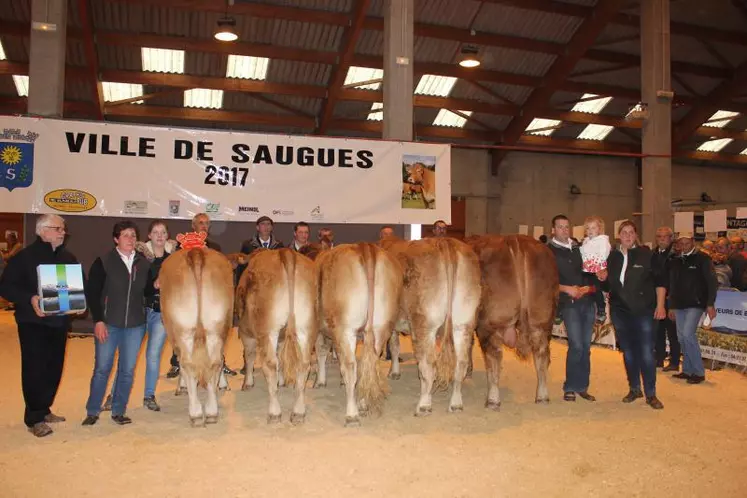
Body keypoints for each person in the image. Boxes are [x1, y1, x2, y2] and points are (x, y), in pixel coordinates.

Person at [0, 215, 82, 437]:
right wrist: (30, 298)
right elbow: (5, 288)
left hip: (59, 322)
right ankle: (34, 417)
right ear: (42, 231)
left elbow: (73, 290)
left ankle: (44, 408)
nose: (62, 233)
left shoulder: (69, 257)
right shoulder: (24, 257)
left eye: (63, 229)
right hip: (32, 323)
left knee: (54, 367)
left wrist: (77, 303)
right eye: (58, 229)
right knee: (34, 369)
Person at [82, 220, 151, 426]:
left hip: (136, 325)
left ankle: (118, 410)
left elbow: (146, 293)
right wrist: (98, 321)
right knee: (102, 368)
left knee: (127, 370)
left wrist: (156, 285)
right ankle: (93, 410)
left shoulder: (144, 264)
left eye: (133, 235)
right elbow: (93, 294)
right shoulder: (103, 261)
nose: (130, 239)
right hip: (109, 323)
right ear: (116, 239)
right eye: (125, 235)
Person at [102, 221, 176, 412]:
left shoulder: (174, 260)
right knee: (128, 356)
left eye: (163, 232)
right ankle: (113, 396)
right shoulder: (138, 257)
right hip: (139, 311)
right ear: (149, 235)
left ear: (167, 236)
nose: (160, 235)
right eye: (155, 232)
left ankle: (149, 395)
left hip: (161, 313)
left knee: (153, 355)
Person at [597, 221, 666, 409]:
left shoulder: (647, 255)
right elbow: (608, 287)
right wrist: (601, 278)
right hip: (620, 312)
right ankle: (635, 388)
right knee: (628, 353)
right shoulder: (612, 257)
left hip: (644, 311)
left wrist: (660, 305)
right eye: (624, 232)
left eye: (631, 232)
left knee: (646, 352)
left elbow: (660, 282)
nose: (627, 236)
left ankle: (651, 394)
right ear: (618, 235)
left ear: (636, 235)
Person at [167, 213, 233, 378]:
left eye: (207, 223)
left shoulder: (215, 248)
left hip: (209, 296)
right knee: (182, 330)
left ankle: (220, 362)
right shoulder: (181, 246)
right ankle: (177, 363)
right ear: (193, 226)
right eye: (201, 223)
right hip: (186, 295)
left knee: (215, 331)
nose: (204, 226)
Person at [548, 214, 600, 402]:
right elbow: (546, 281)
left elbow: (591, 272)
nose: (564, 230)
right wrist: (566, 289)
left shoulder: (580, 248)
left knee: (586, 346)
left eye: (566, 226)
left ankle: (582, 386)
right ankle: (570, 386)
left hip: (587, 301)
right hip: (568, 304)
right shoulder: (548, 251)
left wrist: (591, 285)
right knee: (576, 344)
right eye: (560, 227)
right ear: (553, 230)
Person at [668, 234, 717, 385]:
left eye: (687, 242)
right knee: (681, 337)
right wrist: (671, 306)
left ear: (693, 242)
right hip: (679, 304)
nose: (684, 245)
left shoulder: (703, 259)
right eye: (681, 243)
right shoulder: (676, 260)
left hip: (696, 303)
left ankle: (699, 372)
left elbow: (711, 282)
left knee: (688, 334)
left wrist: (710, 304)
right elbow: (673, 284)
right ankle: (687, 370)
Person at [652, 226, 680, 372]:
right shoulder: (653, 254)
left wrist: (673, 301)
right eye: (659, 236)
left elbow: (676, 280)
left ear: (671, 238)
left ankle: (675, 361)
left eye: (665, 236)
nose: (662, 239)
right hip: (656, 297)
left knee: (673, 331)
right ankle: (659, 358)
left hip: (671, 298)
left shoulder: (676, 255)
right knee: (658, 330)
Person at [579, 216, 611, 324]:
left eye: (593, 228)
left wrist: (597, 267)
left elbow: (603, 255)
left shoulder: (602, 241)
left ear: (599, 229)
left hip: (597, 269)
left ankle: (601, 310)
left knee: (596, 288)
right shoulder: (586, 241)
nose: (590, 231)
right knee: (586, 289)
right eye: (588, 228)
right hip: (586, 269)